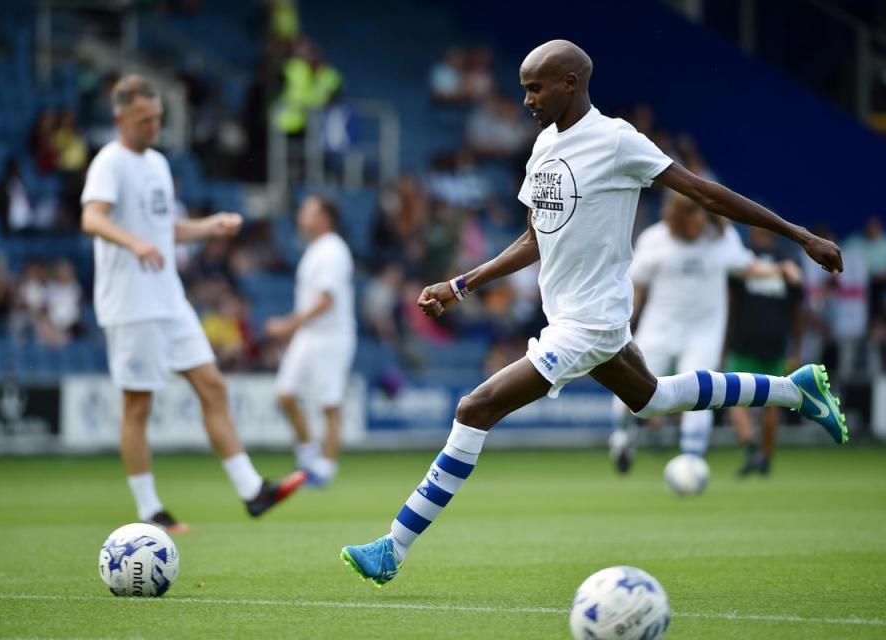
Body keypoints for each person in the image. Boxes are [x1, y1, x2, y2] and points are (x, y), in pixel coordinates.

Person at [340, 40, 847, 586]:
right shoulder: (542, 149)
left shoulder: (616, 141)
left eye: (535, 87)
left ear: (569, 84)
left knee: (475, 407)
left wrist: (799, 236)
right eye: (523, 88)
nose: (527, 99)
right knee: (652, 398)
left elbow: (706, 195)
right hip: (567, 317)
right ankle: (795, 391)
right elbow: (534, 239)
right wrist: (460, 284)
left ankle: (394, 544)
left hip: (593, 321)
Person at [80, 74, 305, 533]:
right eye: (144, 119)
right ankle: (150, 511)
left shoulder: (159, 164)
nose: (153, 126)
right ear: (121, 117)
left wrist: (209, 227)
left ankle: (252, 491)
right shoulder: (110, 162)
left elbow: (166, 229)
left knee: (213, 386)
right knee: (138, 405)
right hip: (131, 304)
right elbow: (93, 217)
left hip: (169, 300)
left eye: (158, 118)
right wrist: (135, 244)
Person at [607, 194, 802, 472]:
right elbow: (637, 287)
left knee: (700, 391)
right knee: (631, 387)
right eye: (690, 221)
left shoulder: (722, 239)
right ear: (677, 218)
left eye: (701, 219)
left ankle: (692, 459)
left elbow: (747, 267)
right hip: (658, 329)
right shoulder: (655, 239)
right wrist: (624, 326)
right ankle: (623, 438)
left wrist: (779, 270)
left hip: (703, 332)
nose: (696, 227)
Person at [265, 195, 355, 487]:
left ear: (325, 217)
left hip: (331, 334)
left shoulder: (333, 250)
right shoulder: (316, 249)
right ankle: (308, 460)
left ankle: (324, 470)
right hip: (310, 333)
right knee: (285, 394)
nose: (301, 215)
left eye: (308, 210)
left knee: (329, 404)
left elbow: (327, 300)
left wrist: (288, 324)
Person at [725, 227, 804, 476]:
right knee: (773, 402)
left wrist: (724, 340)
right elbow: (797, 311)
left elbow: (731, 303)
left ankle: (751, 450)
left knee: (733, 397)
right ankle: (766, 456)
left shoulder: (744, 259)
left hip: (745, 337)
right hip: (776, 340)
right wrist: (796, 347)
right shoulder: (788, 263)